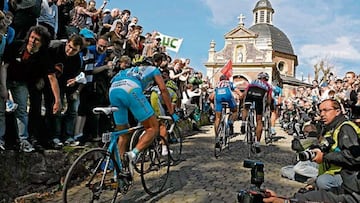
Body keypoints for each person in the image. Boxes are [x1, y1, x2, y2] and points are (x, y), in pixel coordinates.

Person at [263, 99, 360, 203]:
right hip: (331, 172)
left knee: (321, 181)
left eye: (326, 110)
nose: (322, 114)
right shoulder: (331, 128)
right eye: (320, 111)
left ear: (338, 111)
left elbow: (354, 157)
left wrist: (324, 157)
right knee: (288, 170)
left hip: (340, 176)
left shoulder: (346, 128)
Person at [109, 55, 178, 177]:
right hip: (131, 89)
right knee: (153, 128)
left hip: (113, 90)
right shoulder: (153, 69)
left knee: (123, 134)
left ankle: (118, 173)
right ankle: (133, 154)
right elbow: (163, 89)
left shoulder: (126, 70)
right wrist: (171, 111)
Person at [0, 25, 56, 152]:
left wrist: (41, 79)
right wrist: (3, 88)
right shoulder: (15, 46)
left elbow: (50, 75)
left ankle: (23, 140)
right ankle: (0, 139)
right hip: (6, 79)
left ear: (42, 43)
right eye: (31, 37)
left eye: (36, 39)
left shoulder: (42, 55)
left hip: (21, 83)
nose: (32, 41)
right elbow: (4, 67)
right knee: (1, 110)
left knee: (22, 110)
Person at [45, 34, 84, 148]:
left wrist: (74, 83)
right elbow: (50, 74)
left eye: (74, 50)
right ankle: (55, 136)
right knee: (57, 108)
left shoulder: (77, 60)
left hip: (68, 83)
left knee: (73, 109)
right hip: (52, 80)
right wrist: (58, 99)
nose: (70, 51)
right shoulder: (54, 48)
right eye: (70, 47)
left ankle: (68, 136)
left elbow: (78, 77)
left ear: (79, 51)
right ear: (67, 43)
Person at [241, 72, 272, 155]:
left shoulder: (252, 82)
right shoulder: (268, 85)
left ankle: (243, 123)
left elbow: (245, 93)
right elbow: (269, 99)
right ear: (266, 79)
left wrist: (243, 102)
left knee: (246, 107)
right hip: (260, 96)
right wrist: (268, 106)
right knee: (259, 121)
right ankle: (257, 144)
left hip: (250, 94)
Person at [213, 75, 240, 147]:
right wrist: (240, 96)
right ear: (227, 79)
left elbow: (212, 95)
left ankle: (217, 137)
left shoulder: (217, 84)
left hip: (218, 96)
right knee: (235, 111)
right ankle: (230, 122)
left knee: (217, 118)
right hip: (227, 95)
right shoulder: (229, 83)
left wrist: (212, 105)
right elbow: (237, 91)